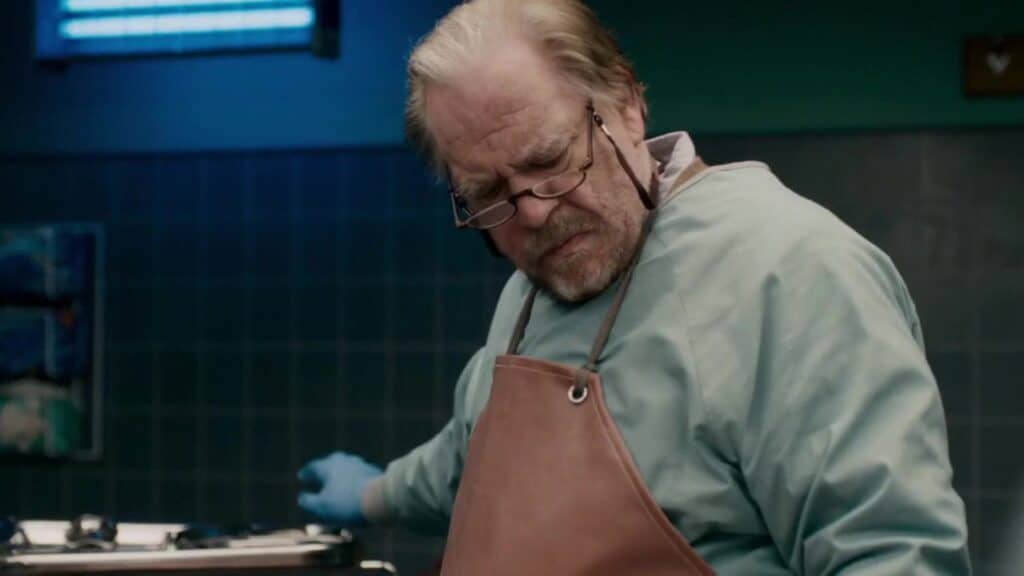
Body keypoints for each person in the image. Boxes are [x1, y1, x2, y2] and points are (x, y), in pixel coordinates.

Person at [298, 0, 971, 573]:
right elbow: (479, 455)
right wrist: (375, 495)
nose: (532, 212)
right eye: (488, 194)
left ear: (626, 105)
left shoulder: (791, 272)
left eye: (549, 161)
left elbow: (891, 553)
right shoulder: (531, 290)